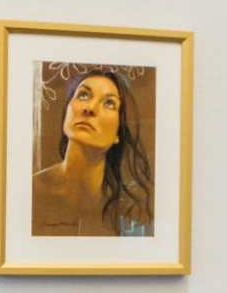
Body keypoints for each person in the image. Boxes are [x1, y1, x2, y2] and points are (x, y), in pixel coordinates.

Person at [29, 65, 153, 238]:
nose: (90, 108)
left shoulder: (129, 209)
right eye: (83, 95)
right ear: (67, 110)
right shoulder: (29, 193)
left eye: (109, 103)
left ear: (118, 133)